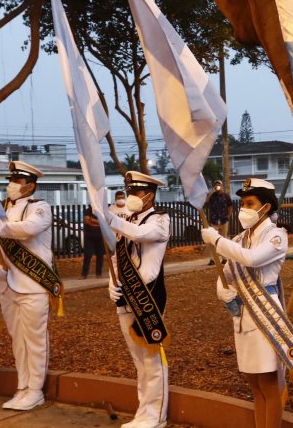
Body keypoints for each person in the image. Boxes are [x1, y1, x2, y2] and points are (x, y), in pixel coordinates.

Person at [202, 178, 293, 428]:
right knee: (254, 385)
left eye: (250, 203)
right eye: (242, 203)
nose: (244, 209)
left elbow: (251, 259)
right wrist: (223, 291)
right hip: (243, 316)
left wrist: (217, 241)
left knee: (269, 385)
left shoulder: (276, 236)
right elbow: (227, 273)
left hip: (266, 315)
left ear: (266, 207)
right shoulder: (240, 238)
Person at [0, 161, 60, 412]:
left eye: (18, 181)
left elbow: (27, 230)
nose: (12, 185)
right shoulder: (0, 210)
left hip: (33, 283)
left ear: (30, 186)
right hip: (7, 285)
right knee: (17, 340)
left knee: (35, 340)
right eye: (11, 180)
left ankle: (35, 390)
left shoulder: (39, 207)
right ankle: (22, 386)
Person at [106, 171, 170, 428]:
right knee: (138, 361)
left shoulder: (160, 220)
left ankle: (157, 416)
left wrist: (108, 217)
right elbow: (116, 256)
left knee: (151, 359)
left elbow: (140, 235)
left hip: (148, 297)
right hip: (125, 296)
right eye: (129, 191)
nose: (131, 196)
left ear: (149, 195)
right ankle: (143, 412)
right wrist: (111, 284)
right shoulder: (128, 219)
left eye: (135, 192)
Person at [204, 180, 232, 264]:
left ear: (222, 186)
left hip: (224, 220)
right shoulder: (212, 196)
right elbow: (205, 201)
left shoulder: (226, 196)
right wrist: (212, 192)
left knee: (223, 239)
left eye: (219, 185)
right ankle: (212, 259)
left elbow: (230, 206)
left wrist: (228, 215)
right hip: (214, 220)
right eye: (216, 185)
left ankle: (224, 258)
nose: (218, 187)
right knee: (212, 239)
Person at [82, 201, 106, 279]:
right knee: (87, 255)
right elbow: (87, 221)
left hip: (100, 236)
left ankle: (98, 273)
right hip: (89, 237)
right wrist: (100, 223)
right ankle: (84, 274)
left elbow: (105, 222)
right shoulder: (88, 210)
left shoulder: (102, 211)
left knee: (100, 255)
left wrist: (93, 220)